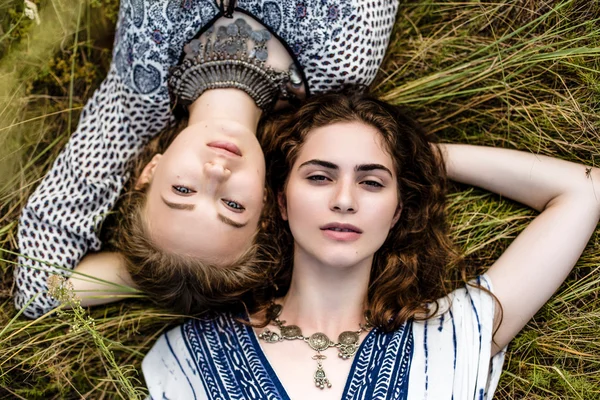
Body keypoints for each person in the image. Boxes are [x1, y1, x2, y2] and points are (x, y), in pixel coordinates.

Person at [142, 92, 600, 399]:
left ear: (397, 210)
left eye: (373, 182)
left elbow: (585, 191)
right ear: (280, 201)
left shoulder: (450, 336)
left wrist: (422, 157)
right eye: (320, 177)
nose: (344, 200)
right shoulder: (185, 357)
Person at [14, 0, 399, 318]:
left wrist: (152, 271)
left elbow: (37, 289)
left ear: (151, 171)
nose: (216, 172)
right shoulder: (341, 60)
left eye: (182, 190)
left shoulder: (133, 105)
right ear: (266, 202)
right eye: (232, 205)